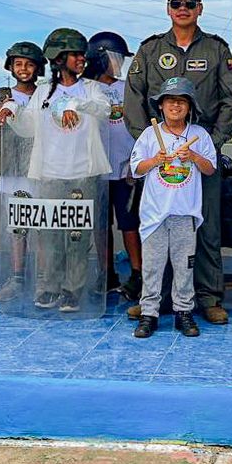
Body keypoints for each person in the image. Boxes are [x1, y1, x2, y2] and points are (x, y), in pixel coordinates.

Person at [124, 0, 232, 325]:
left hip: (199, 156)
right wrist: (150, 139)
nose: (183, 8)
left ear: (200, 9)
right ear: (168, 8)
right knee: (157, 227)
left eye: (190, 3)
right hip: (160, 160)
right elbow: (133, 97)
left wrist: (212, 142)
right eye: (176, 3)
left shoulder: (217, 50)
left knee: (205, 228)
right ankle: (156, 300)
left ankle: (207, 297)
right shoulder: (150, 50)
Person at [5, 28, 112, 312]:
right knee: (50, 234)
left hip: (83, 173)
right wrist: (12, 112)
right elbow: (28, 128)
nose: (81, 59)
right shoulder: (42, 91)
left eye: (82, 55)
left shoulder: (91, 89)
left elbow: (104, 110)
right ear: (59, 58)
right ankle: (49, 287)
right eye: (75, 55)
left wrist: (75, 104)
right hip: (50, 172)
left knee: (77, 236)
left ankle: (72, 290)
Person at [130, 77, 217, 338]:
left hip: (185, 214)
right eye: (170, 101)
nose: (175, 106)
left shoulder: (199, 135)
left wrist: (194, 156)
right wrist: (155, 160)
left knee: (184, 267)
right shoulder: (149, 135)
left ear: (190, 107)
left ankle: (183, 312)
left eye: (181, 101)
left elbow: (210, 169)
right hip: (154, 215)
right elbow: (136, 169)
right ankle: (149, 313)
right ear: (161, 106)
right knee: (152, 267)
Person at [0, 41, 44, 303]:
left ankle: (43, 280)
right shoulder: (2, 97)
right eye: (18, 64)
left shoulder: (45, 95)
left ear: (38, 68)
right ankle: (17, 278)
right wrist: (0, 111)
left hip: (40, 170)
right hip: (13, 172)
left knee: (42, 226)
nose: (24, 69)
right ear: (10, 67)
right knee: (18, 229)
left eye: (29, 64)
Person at [87, 31, 143, 300]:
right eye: (115, 57)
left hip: (125, 168)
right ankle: (106, 272)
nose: (119, 63)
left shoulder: (127, 89)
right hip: (96, 169)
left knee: (129, 223)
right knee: (100, 225)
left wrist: (135, 161)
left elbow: (140, 126)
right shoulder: (87, 89)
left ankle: (137, 273)